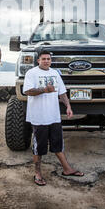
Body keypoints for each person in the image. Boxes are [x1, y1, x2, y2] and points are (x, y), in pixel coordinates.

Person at [23, 49, 84, 186]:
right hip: (39, 117)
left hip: (54, 116)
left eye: (48, 59)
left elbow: (62, 93)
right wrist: (44, 90)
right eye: (43, 59)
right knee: (39, 147)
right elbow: (27, 91)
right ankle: (37, 173)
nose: (46, 61)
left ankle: (67, 169)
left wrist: (68, 106)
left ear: (51, 60)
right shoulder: (31, 73)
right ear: (38, 60)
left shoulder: (55, 73)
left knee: (58, 144)